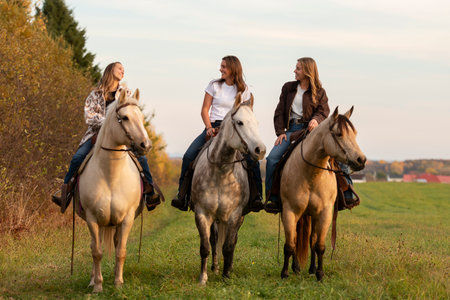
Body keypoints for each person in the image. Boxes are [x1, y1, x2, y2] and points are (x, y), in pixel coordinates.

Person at [52, 62, 160, 213]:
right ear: (110, 70)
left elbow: (131, 115)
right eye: (119, 68)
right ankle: (66, 193)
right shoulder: (95, 94)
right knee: (78, 157)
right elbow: (89, 117)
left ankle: (149, 193)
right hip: (96, 134)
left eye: (124, 69)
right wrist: (108, 122)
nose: (123, 70)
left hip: (121, 135)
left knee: (141, 159)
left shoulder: (126, 93)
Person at [171, 55, 264, 212]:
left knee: (252, 159)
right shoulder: (214, 85)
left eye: (224, 67)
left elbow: (247, 115)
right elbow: (204, 110)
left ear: (233, 69)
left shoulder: (244, 90)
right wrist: (208, 127)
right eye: (221, 66)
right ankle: (183, 196)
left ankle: (256, 197)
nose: (220, 69)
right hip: (213, 127)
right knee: (188, 156)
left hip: (235, 130)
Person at [264, 57, 330, 213]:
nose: (294, 70)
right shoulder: (288, 88)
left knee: (334, 155)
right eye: (296, 68)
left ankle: (345, 192)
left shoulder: (320, 92)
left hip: (312, 132)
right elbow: (279, 112)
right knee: (272, 159)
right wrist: (280, 132)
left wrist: (316, 119)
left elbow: (324, 112)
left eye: (298, 68)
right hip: (291, 131)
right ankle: (271, 197)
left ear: (307, 71)